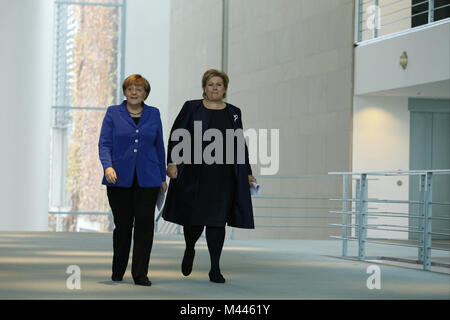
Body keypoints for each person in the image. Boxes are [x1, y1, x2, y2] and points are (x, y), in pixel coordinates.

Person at [162, 69, 256, 283]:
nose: (215, 88)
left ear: (225, 88)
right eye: (211, 84)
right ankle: (189, 248)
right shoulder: (191, 107)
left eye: (219, 84)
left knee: (217, 221)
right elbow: (177, 134)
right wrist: (172, 162)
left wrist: (248, 172)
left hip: (223, 176)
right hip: (194, 173)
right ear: (204, 87)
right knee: (193, 220)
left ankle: (215, 268)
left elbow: (239, 144)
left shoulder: (234, 111)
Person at [98, 74, 167, 286]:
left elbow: (159, 146)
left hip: (148, 180)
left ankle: (140, 274)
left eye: (139, 89)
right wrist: (108, 166)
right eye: (130, 89)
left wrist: (162, 176)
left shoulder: (154, 114)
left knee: (145, 227)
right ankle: (118, 270)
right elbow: (104, 144)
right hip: (119, 179)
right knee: (123, 227)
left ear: (145, 93)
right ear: (125, 92)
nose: (134, 92)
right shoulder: (113, 113)